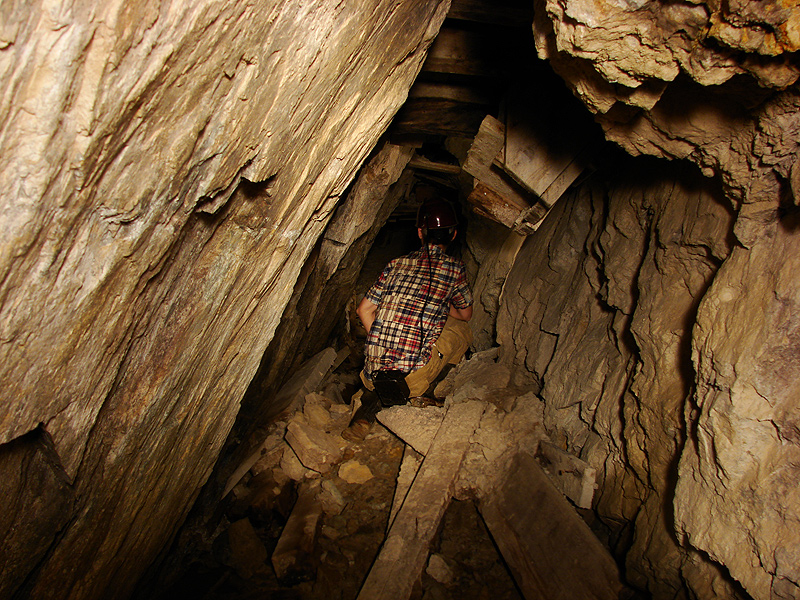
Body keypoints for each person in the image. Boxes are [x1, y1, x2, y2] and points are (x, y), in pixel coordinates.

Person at [343, 198, 473, 441]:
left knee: (384, 376)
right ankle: (429, 389)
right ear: (454, 234)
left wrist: (382, 343)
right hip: (412, 378)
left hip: (371, 372)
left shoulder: (395, 264)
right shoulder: (454, 269)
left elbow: (363, 310)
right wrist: (442, 305)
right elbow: (466, 314)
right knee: (461, 331)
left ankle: (364, 415)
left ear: (420, 233)